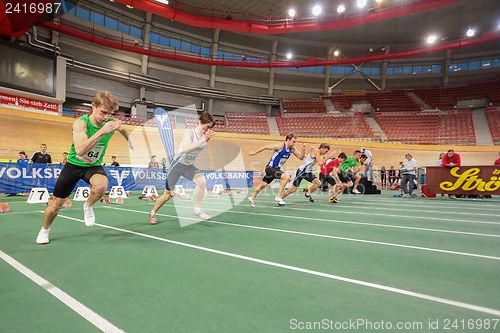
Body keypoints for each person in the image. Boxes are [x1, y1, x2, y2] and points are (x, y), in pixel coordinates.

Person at [36, 91, 133, 244]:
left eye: (110, 113)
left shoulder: (111, 122)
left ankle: (87, 206)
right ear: (93, 106)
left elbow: (122, 128)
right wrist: (102, 132)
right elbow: (81, 149)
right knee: (56, 205)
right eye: (103, 112)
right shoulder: (80, 123)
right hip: (73, 166)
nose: (107, 117)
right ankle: (45, 229)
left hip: (93, 166)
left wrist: (130, 141)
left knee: (101, 186)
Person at [148, 111, 215, 224]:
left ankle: (197, 210)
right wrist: (203, 140)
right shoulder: (189, 132)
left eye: (210, 128)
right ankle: (152, 213)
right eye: (207, 126)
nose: (208, 129)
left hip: (188, 166)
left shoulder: (204, 136)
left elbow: (196, 150)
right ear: (200, 121)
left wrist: (204, 139)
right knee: (167, 195)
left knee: (202, 182)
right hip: (177, 165)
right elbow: (187, 149)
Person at [248, 133, 305, 207]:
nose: (294, 143)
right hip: (270, 168)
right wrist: (254, 152)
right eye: (293, 141)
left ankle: (252, 197)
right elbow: (265, 147)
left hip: (275, 170)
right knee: (286, 177)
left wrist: (303, 149)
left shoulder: (292, 149)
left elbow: (301, 157)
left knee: (263, 185)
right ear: (288, 139)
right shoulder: (281, 146)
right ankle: (278, 197)